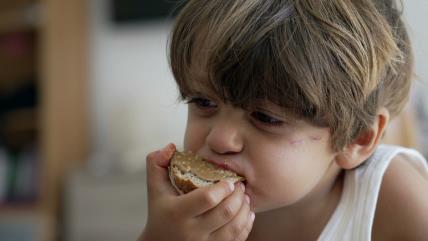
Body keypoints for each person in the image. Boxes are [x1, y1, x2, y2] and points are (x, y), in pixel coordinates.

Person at [139, 0, 428, 240]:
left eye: (264, 117)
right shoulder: (192, 210)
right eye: (204, 102)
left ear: (356, 138)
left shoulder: (397, 203)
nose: (219, 139)